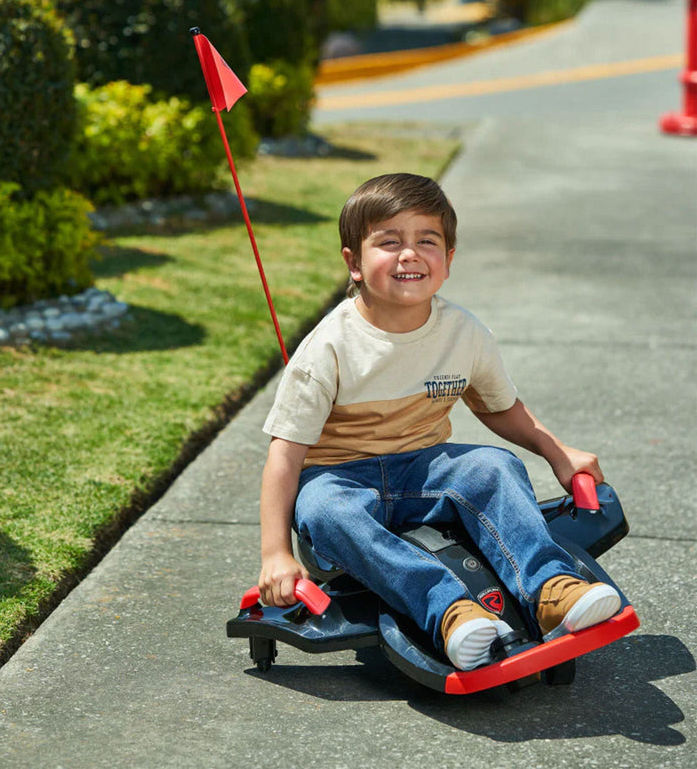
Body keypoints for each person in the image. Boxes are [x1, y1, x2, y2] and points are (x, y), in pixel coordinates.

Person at [257, 173, 621, 671]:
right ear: (354, 263)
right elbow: (285, 455)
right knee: (322, 509)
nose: (409, 255)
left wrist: (560, 454)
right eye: (389, 242)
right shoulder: (328, 348)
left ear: (448, 260)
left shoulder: (463, 334)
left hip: (423, 469)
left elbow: (499, 408)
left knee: (492, 465)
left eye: (426, 241)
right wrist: (275, 552)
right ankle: (450, 611)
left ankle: (551, 588)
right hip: (338, 476)